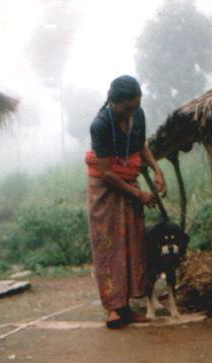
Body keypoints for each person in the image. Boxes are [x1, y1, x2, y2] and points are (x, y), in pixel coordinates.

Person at [85, 75, 166, 329]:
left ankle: (127, 307)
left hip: (129, 184)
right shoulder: (100, 125)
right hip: (106, 190)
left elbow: (141, 145)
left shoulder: (137, 114)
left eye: (136, 106)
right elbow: (108, 173)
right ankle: (113, 308)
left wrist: (157, 169)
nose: (131, 112)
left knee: (131, 244)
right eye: (127, 108)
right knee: (109, 247)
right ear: (112, 101)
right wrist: (138, 195)